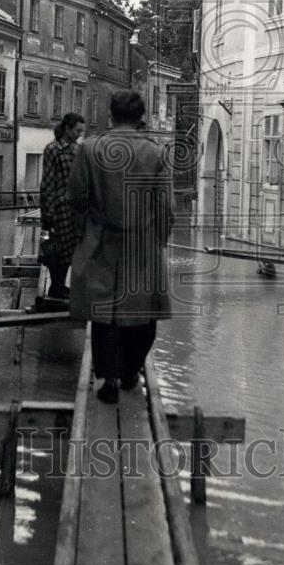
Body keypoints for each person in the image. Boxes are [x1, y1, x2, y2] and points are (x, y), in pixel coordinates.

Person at [67, 90, 173, 404]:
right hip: (142, 244)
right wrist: (159, 242)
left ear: (110, 116)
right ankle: (130, 371)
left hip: (101, 241)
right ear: (141, 118)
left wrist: (83, 238)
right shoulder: (155, 153)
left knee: (104, 316)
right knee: (142, 315)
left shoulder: (89, 149)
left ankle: (108, 378)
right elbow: (166, 207)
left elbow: (76, 200)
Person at [38, 112, 85, 299]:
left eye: (81, 131)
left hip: (75, 209)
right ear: (67, 128)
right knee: (58, 249)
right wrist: (47, 213)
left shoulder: (77, 149)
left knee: (69, 250)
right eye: (77, 130)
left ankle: (61, 285)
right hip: (59, 208)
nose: (79, 134)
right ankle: (56, 285)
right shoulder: (53, 149)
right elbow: (47, 182)